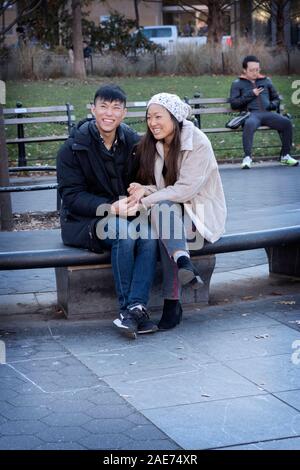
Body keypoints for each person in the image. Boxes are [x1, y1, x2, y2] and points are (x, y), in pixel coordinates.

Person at [57, 84, 158, 339]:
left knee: (148, 235)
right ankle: (127, 311)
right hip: (83, 221)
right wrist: (109, 208)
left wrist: (141, 190)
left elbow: (148, 178)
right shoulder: (72, 148)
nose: (108, 113)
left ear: (123, 113)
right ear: (93, 109)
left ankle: (136, 308)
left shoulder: (133, 143)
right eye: (103, 106)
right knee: (124, 232)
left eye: (115, 108)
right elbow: (71, 197)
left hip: (125, 214)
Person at [127, 93, 227, 330]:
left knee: (165, 220)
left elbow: (184, 190)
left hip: (199, 211)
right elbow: (165, 189)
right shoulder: (156, 144)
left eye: (158, 116)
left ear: (175, 117)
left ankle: (173, 301)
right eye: (149, 117)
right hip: (172, 213)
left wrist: (146, 200)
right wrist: (144, 189)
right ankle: (183, 266)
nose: (152, 123)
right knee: (165, 217)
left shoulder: (198, 143)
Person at [229, 55, 298, 169]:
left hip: (267, 114)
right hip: (252, 115)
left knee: (286, 123)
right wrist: (252, 93)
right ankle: (247, 158)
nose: (255, 72)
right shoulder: (237, 83)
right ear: (244, 70)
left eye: (257, 69)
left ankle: (285, 156)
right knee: (249, 124)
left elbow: (276, 98)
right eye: (252, 70)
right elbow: (234, 103)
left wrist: (271, 105)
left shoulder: (266, 81)